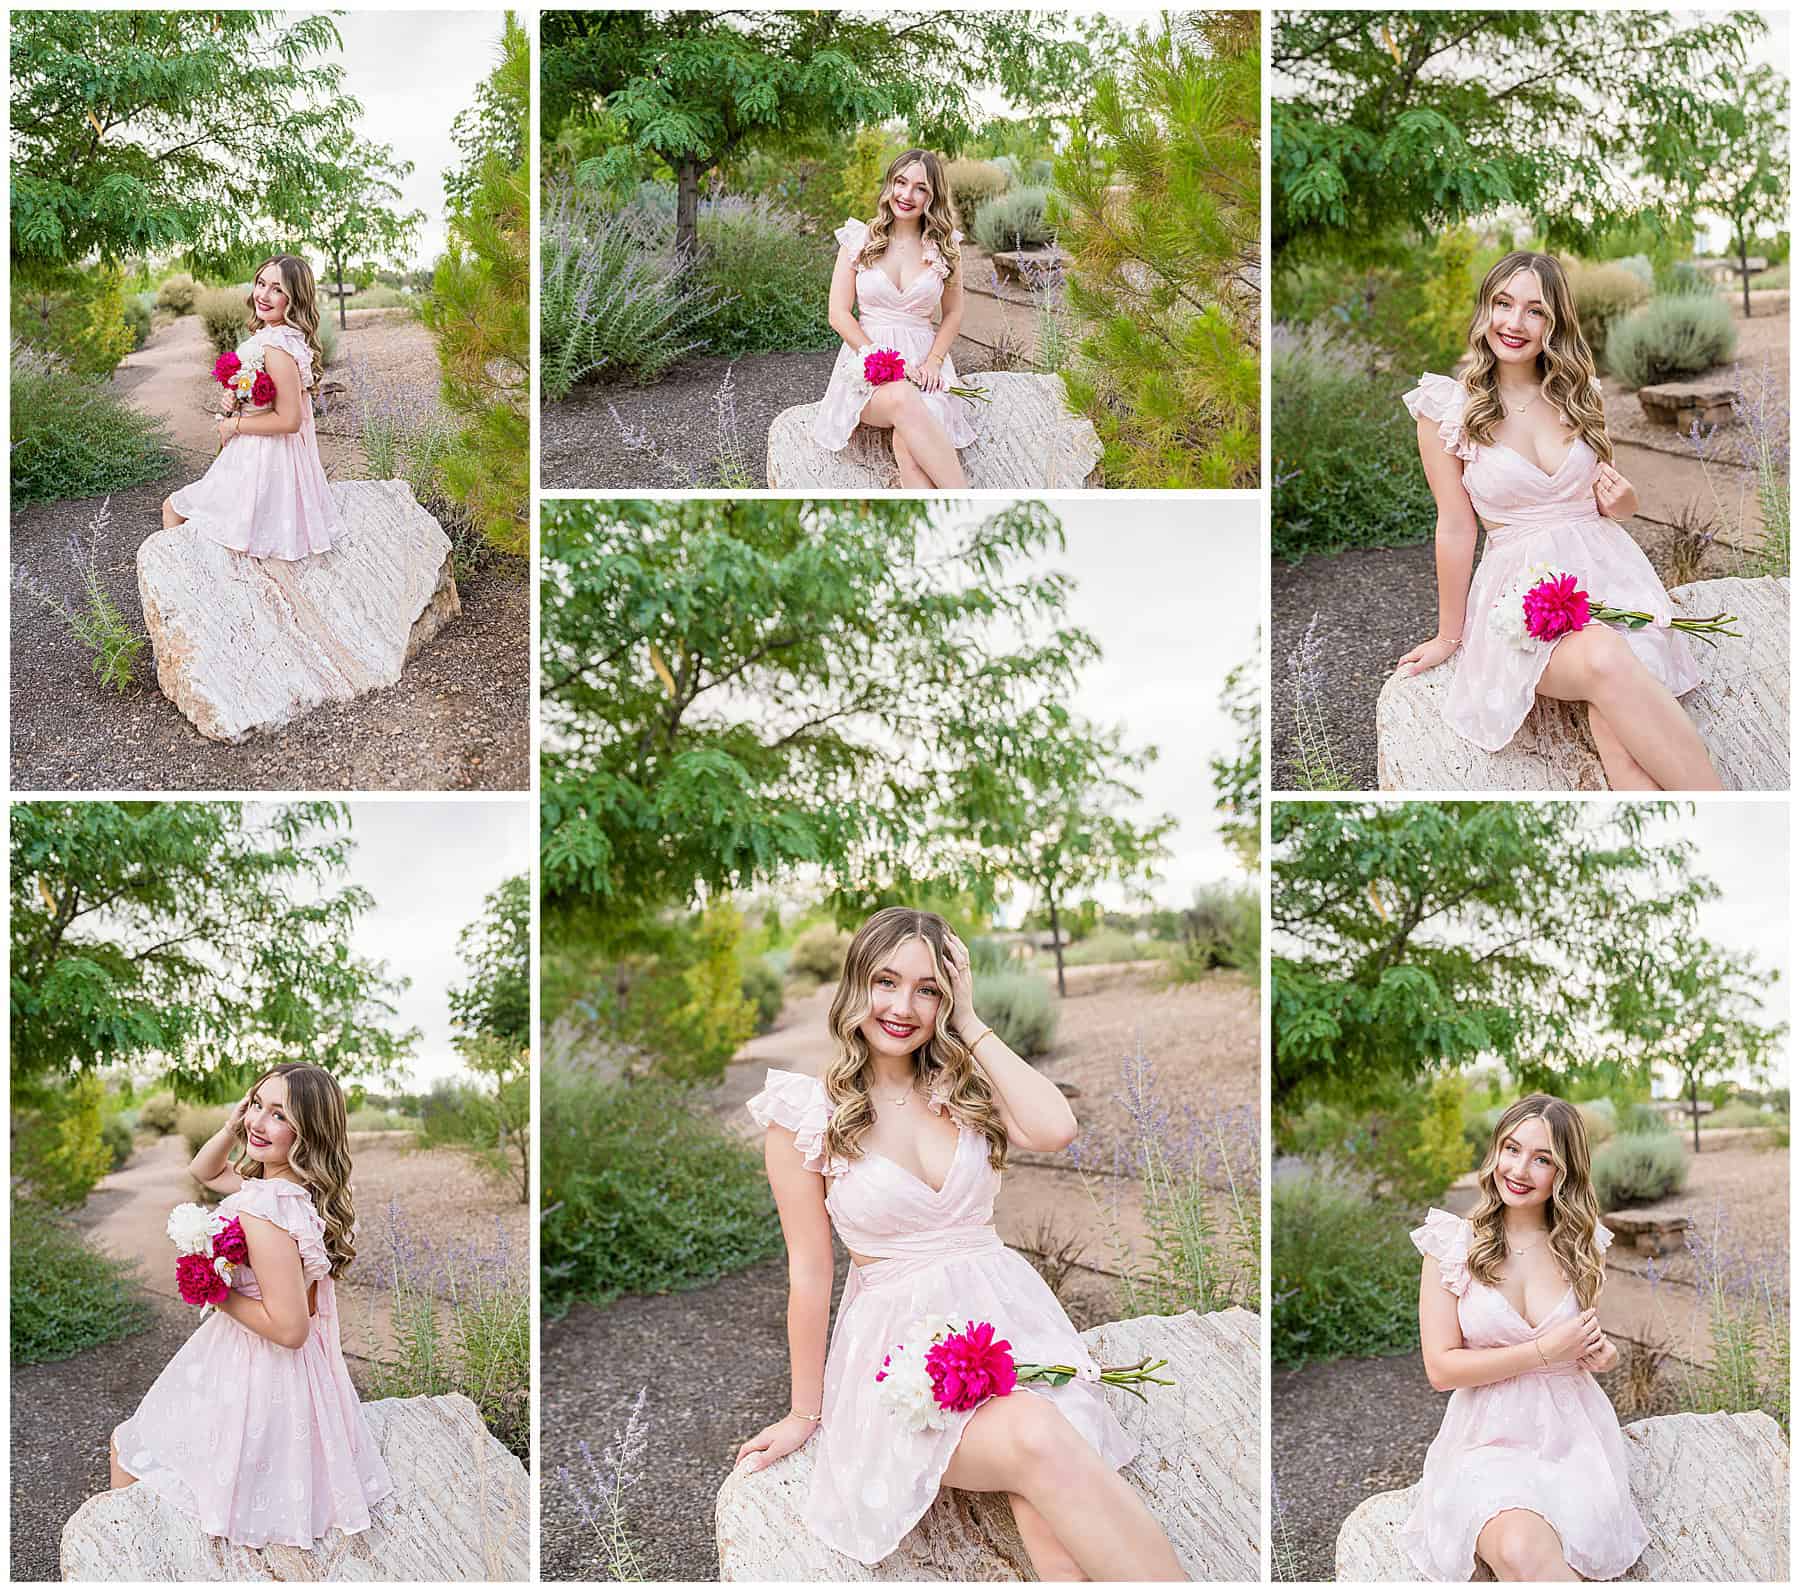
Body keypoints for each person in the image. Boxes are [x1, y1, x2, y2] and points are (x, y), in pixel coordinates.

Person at [735, 907, 1184, 1579]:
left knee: (1046, 1506)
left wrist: (971, 1023)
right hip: (903, 1358)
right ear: (857, 983)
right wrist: (806, 1412)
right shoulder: (808, 1114)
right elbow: (809, 1271)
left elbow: (1057, 1127)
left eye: (929, 989)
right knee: (1035, 1436)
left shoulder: (962, 1086)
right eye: (886, 982)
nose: (903, 1006)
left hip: (1014, 1329)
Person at [1395, 250, 1721, 790]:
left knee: (1619, 736)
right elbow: (1455, 525)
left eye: (1534, 310)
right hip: (1524, 597)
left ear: (1555, 322)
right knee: (1604, 655)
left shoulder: (1580, 394)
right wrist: (1449, 637)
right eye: (1503, 304)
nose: (1514, 323)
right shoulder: (1448, 409)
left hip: (1612, 579)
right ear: (1485, 309)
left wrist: (1624, 502)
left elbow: (1606, 495)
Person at [109, 1062, 393, 1549]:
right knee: (139, 1446)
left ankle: (121, 1558)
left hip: (253, 1364)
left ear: (308, 1132)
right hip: (264, 1361)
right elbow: (204, 1171)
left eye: (279, 1115)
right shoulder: (282, 1194)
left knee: (130, 1449)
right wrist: (232, 1124)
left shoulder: (264, 1211)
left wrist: (215, 1293)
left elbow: (289, 1328)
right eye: (257, 1105)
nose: (259, 1123)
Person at [1401, 1094, 1649, 1582]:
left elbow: (1589, 1338)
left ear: (1565, 1173)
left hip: (1573, 1436)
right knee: (1518, 1548)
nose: (1519, 1168)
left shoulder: (1582, 1245)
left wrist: (1602, 1352)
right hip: (1487, 1435)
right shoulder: (1452, 1244)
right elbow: (1441, 1368)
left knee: (1535, 1561)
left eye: (1543, 1159)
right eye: (1511, 1149)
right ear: (1495, 1150)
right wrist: (1541, 1351)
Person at [813, 150, 978, 488]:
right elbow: (838, 315)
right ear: (890, 184)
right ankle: (969, 501)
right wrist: (891, 365)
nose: (906, 195)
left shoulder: (945, 247)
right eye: (901, 182)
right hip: (870, 366)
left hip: (925, 364)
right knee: (903, 397)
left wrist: (933, 363)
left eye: (920, 188)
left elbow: (954, 312)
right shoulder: (858, 240)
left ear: (932, 197)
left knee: (908, 443)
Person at [162, 254, 342, 560]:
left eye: (277, 289)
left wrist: (235, 424)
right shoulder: (280, 338)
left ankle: (180, 581)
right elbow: (269, 398)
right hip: (259, 451)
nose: (264, 295)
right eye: (261, 284)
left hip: (263, 459)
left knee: (174, 508)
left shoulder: (276, 347)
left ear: (293, 298)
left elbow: (289, 419)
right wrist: (237, 399)